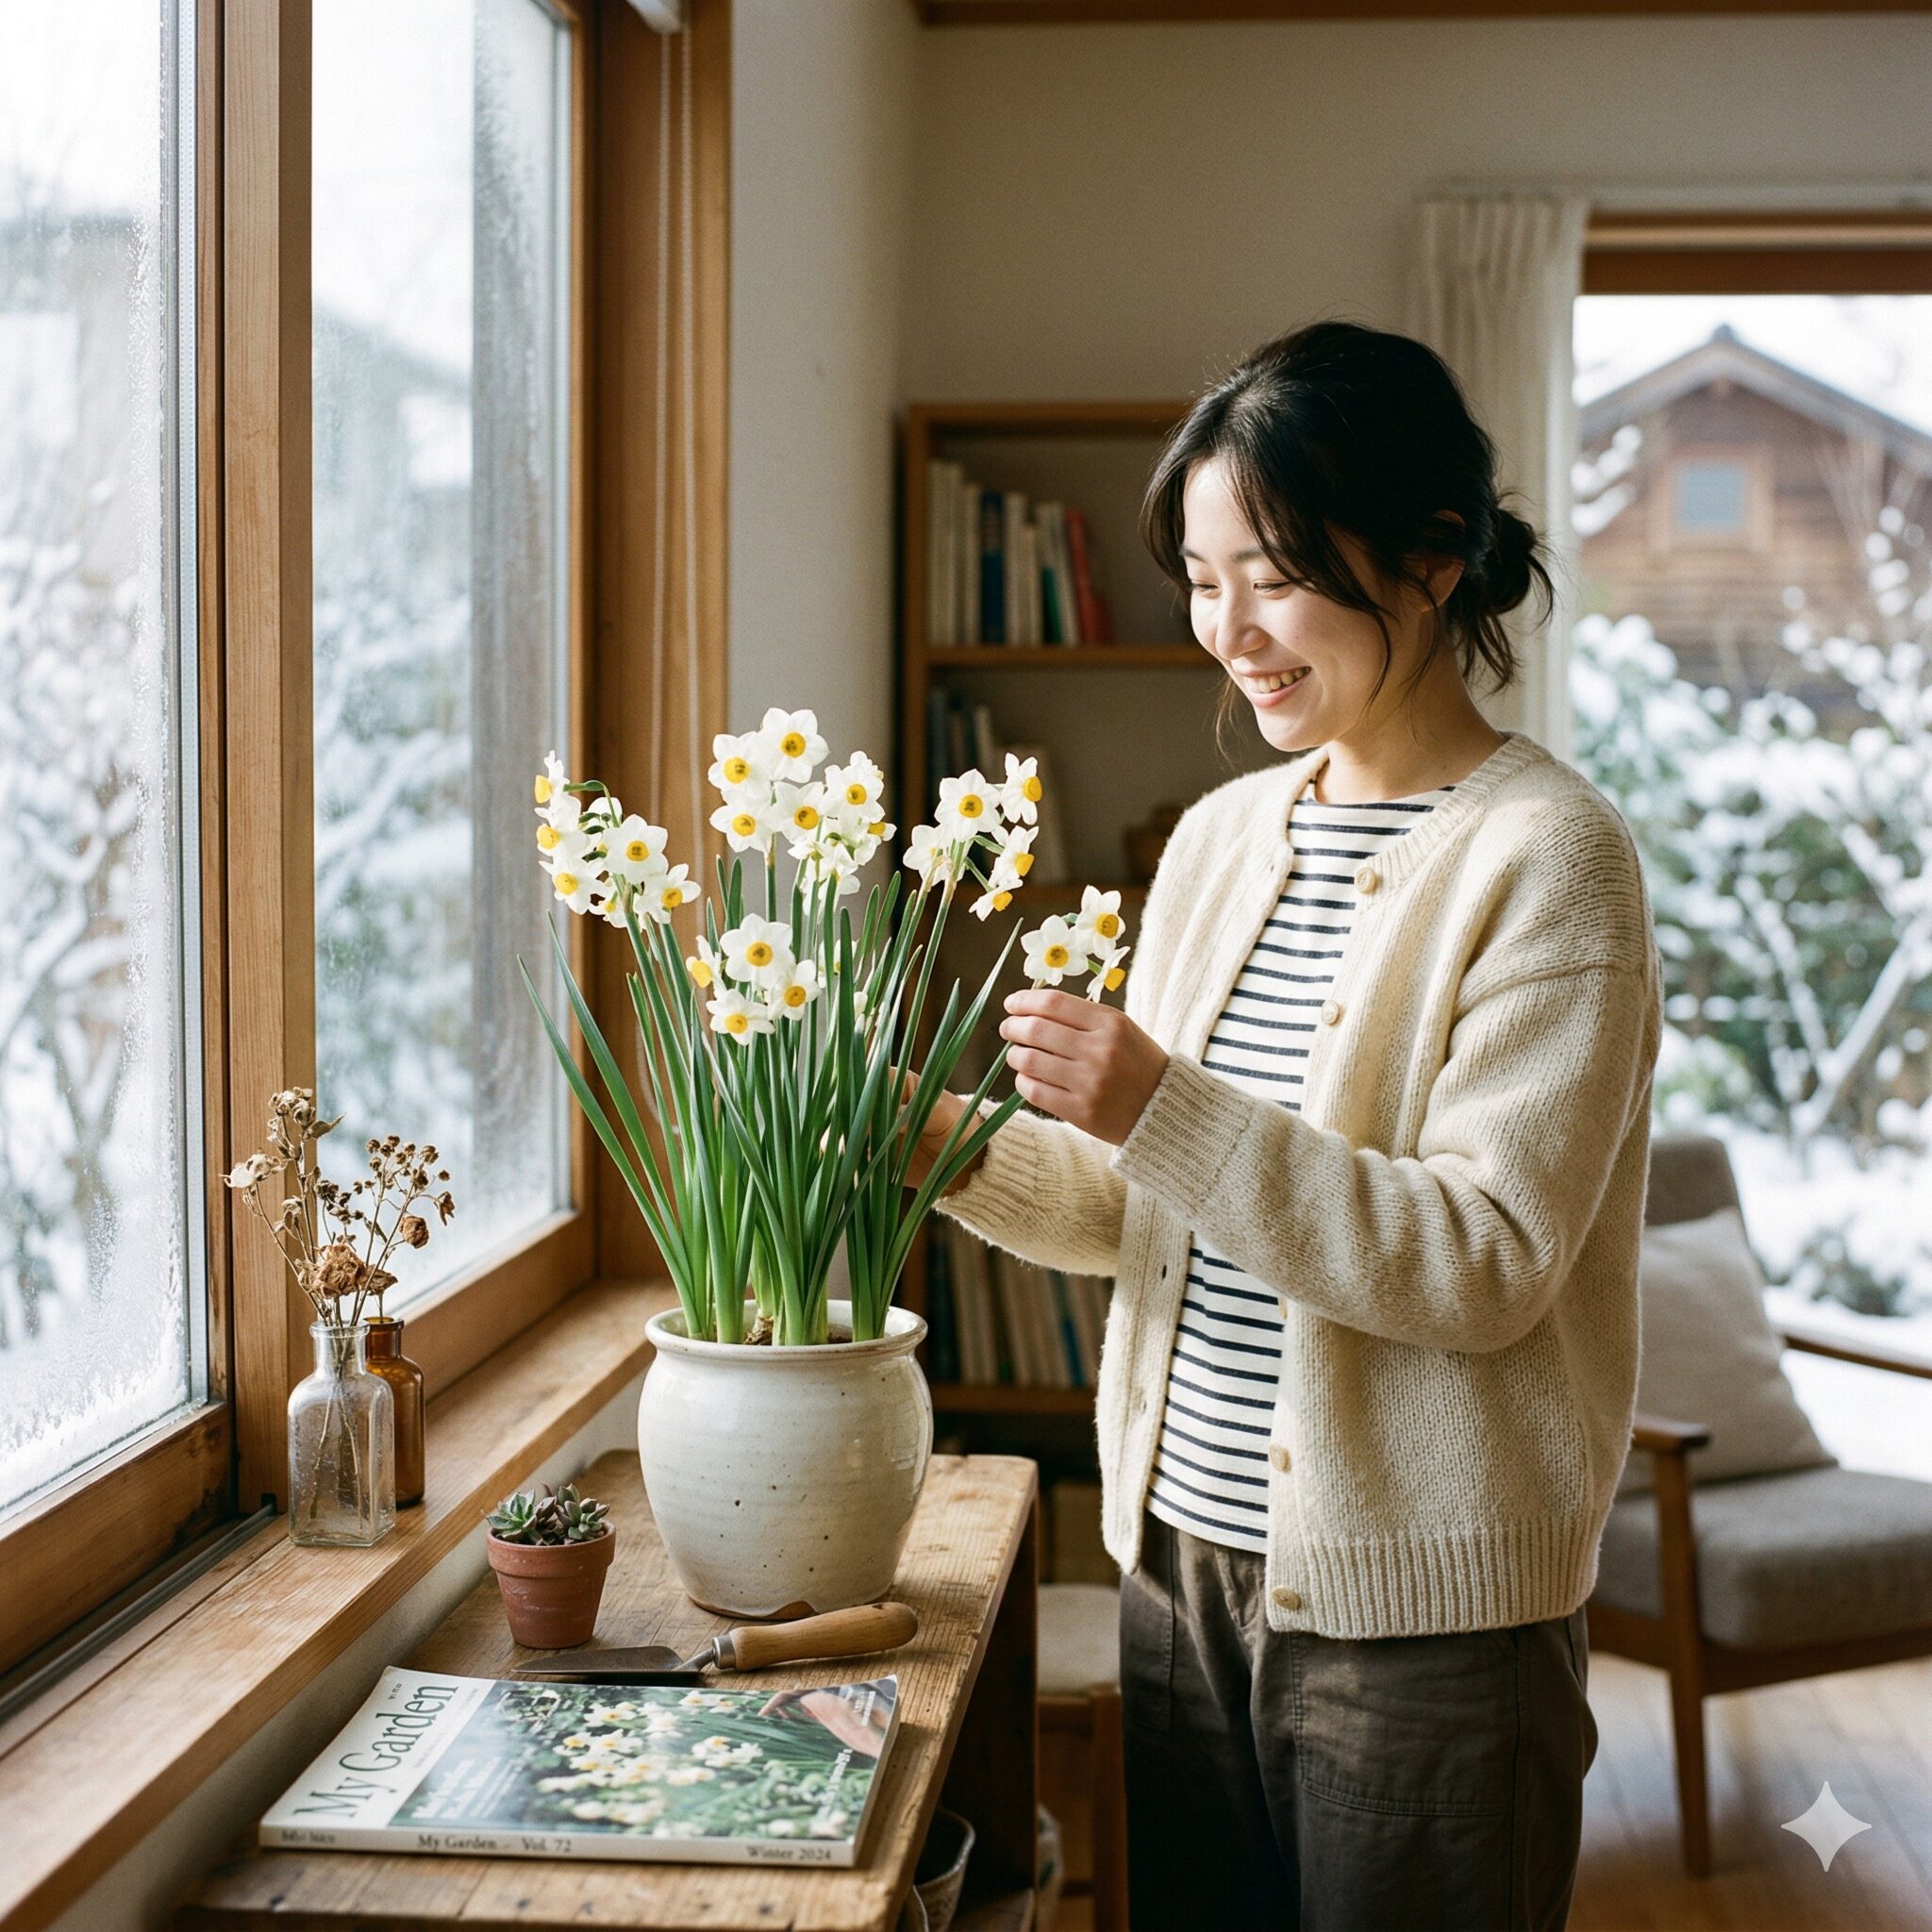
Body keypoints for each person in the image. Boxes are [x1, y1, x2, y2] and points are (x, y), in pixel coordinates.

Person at [912, 320, 1663, 1931]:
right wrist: (932, 1141)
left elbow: (1485, 1263)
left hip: (1427, 1629)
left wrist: (1158, 1103)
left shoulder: (1551, 860)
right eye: (1201, 581)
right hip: (1178, 1573)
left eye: (1276, 576)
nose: (1230, 631)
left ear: (1432, 558)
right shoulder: (1219, 839)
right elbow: (1136, 1209)